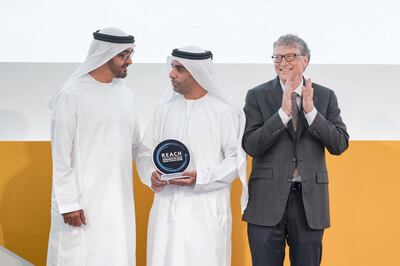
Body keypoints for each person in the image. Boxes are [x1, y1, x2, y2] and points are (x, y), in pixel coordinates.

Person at [242, 34, 349, 266]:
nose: (282, 62)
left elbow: (339, 144)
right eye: (277, 57)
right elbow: (251, 145)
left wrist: (311, 112)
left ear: (306, 60)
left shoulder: (325, 96)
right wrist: (281, 115)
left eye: (290, 56)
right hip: (266, 202)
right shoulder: (257, 96)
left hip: (309, 203)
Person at [136, 46, 247, 266]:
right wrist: (152, 174)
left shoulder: (224, 111)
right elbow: (145, 153)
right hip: (167, 208)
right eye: (172, 67)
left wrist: (202, 177)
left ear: (198, 73)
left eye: (179, 69)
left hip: (206, 210)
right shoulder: (164, 110)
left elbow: (236, 161)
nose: (171, 74)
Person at [46, 27, 140, 266]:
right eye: (124, 55)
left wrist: (159, 169)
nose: (129, 61)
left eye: (130, 54)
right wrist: (68, 203)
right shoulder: (71, 94)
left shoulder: (127, 96)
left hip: (118, 201)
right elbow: (61, 155)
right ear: (105, 54)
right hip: (82, 202)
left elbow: (136, 146)